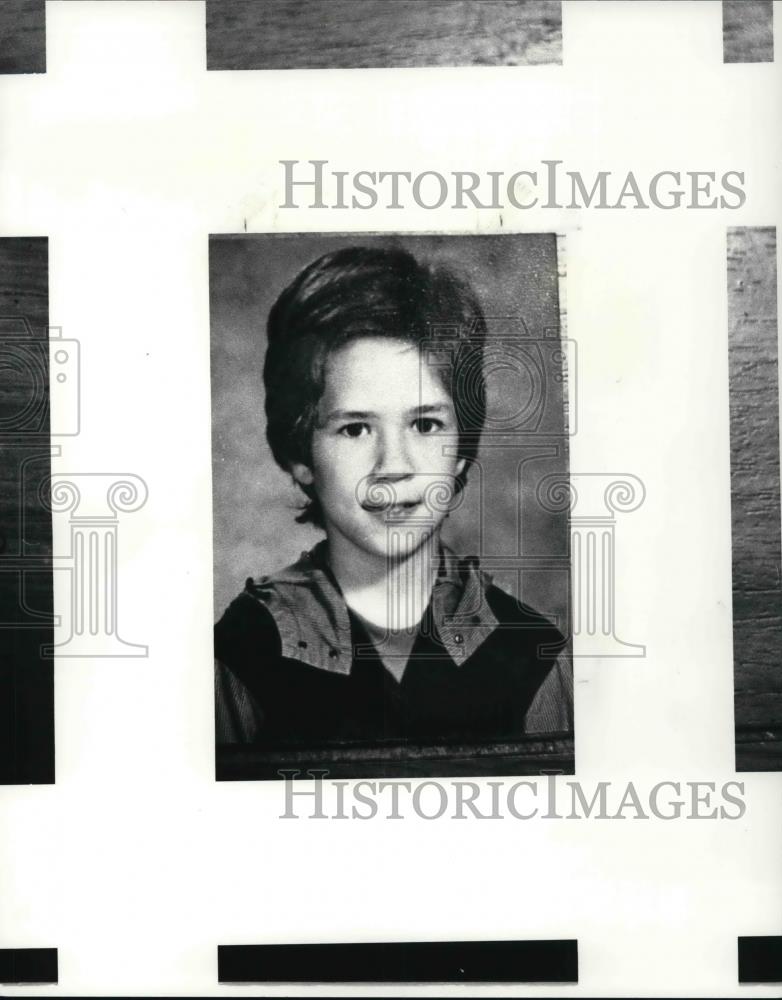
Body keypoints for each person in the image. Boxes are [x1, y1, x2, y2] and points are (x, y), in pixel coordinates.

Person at [214, 245, 572, 754]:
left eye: (425, 425)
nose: (393, 465)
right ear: (302, 455)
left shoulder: (533, 654)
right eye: (356, 428)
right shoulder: (242, 653)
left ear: (461, 455)